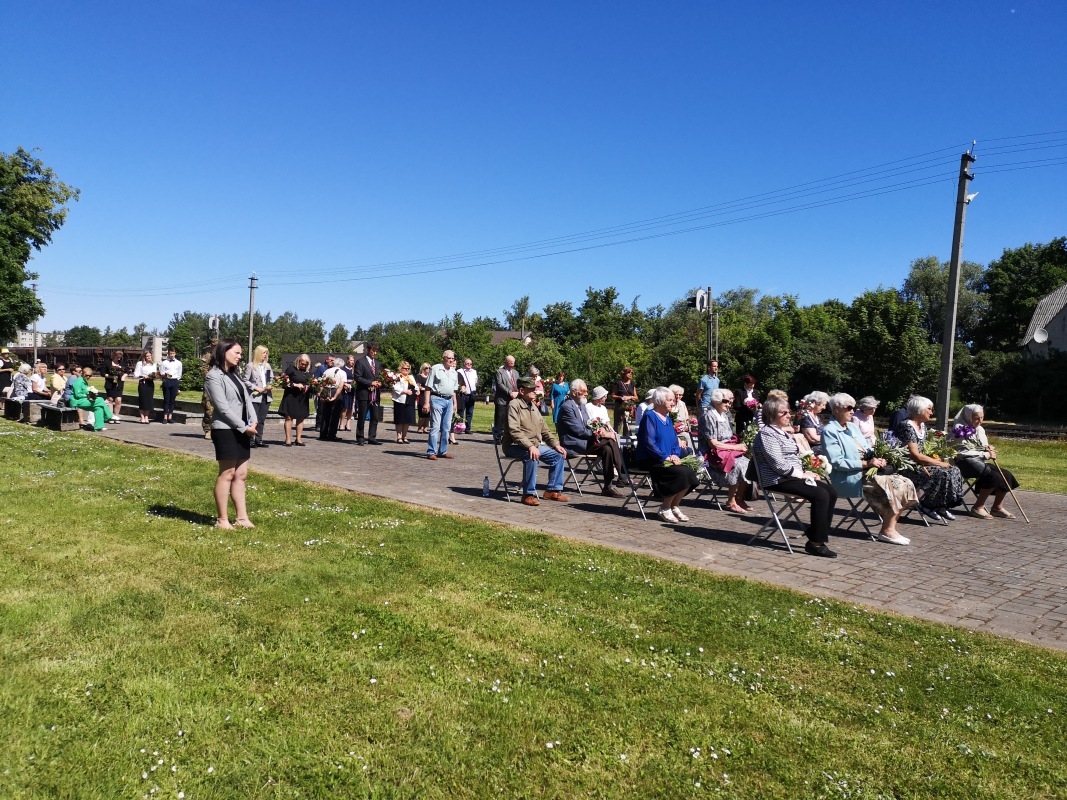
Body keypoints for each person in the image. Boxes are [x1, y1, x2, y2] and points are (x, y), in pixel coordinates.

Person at [822, 393, 916, 545]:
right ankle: (887, 530)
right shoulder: (829, 431)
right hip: (849, 477)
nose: (853, 411)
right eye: (849, 408)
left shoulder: (852, 426)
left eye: (854, 407)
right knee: (895, 486)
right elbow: (836, 462)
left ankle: (889, 527)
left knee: (905, 482)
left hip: (867, 471)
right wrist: (866, 464)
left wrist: (880, 456)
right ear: (837, 409)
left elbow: (867, 449)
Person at [752, 394, 839, 558]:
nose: (788, 415)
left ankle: (815, 534)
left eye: (788, 411)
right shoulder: (767, 434)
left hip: (791, 476)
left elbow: (794, 458)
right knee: (820, 495)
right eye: (783, 413)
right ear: (772, 415)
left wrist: (812, 473)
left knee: (831, 492)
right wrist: (802, 474)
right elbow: (777, 464)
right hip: (776, 479)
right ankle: (816, 543)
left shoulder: (782, 433)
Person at [204, 339, 257, 530]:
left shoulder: (236, 374)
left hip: (243, 428)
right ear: (224, 352)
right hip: (225, 429)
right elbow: (223, 408)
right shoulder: (213, 376)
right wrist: (244, 427)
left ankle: (242, 518)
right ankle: (222, 520)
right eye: (236, 352)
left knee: (241, 474)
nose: (240, 356)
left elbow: (247, 399)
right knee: (227, 473)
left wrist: (253, 419)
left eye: (241, 354)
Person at [894, 395, 966, 522]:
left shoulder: (922, 427)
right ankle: (927, 504)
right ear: (920, 410)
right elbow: (914, 454)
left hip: (920, 463)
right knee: (941, 472)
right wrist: (938, 464)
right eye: (929, 409)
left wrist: (938, 460)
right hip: (908, 466)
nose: (931, 412)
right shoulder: (907, 426)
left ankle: (941, 505)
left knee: (954, 470)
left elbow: (925, 451)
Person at [634, 386, 699, 523]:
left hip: (669, 458)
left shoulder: (668, 419)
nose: (673, 402)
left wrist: (675, 455)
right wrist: (665, 457)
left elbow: (675, 441)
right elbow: (648, 442)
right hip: (652, 459)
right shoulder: (650, 417)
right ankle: (664, 508)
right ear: (659, 401)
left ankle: (675, 505)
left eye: (673, 400)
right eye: (669, 400)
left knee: (691, 472)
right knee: (680, 473)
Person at [502, 376, 569, 506]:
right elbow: (514, 430)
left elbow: (545, 429)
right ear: (522, 391)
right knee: (532, 455)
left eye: (535, 389)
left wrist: (556, 445)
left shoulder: (532, 406)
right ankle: (528, 494)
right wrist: (530, 446)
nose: (535, 392)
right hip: (514, 446)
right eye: (531, 389)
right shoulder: (514, 405)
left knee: (558, 455)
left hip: (534, 445)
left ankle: (552, 490)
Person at [555, 379, 626, 496]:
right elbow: (580, 431)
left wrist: (601, 429)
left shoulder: (581, 405)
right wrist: (601, 434)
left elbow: (590, 424)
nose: (586, 394)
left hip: (587, 441)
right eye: (583, 391)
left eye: (586, 391)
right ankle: (622, 474)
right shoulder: (567, 407)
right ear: (573, 392)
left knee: (607, 449)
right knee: (610, 439)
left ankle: (608, 486)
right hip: (573, 444)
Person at [951, 404, 1020, 519]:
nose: (980, 421)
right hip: (963, 462)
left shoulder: (980, 430)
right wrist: (986, 454)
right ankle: (978, 507)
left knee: (1006, 475)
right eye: (976, 418)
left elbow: (982, 446)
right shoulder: (959, 430)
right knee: (993, 477)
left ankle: (997, 507)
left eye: (982, 417)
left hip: (978, 460)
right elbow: (961, 452)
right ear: (968, 416)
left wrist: (988, 448)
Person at [701, 388, 752, 514]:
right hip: (711, 455)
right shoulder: (709, 416)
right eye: (726, 401)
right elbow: (713, 443)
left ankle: (739, 498)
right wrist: (736, 447)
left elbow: (730, 437)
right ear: (717, 401)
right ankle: (731, 501)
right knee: (738, 465)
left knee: (749, 463)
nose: (729, 404)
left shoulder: (725, 415)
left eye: (730, 401)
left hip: (727, 450)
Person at [424, 350, 459, 460]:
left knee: (447, 427)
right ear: (443, 358)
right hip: (437, 399)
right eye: (449, 358)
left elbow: (454, 390)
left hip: (449, 401)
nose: (451, 360)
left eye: (452, 358)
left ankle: (443, 451)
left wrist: (455, 403)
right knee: (435, 426)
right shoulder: (435, 368)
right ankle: (431, 451)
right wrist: (426, 403)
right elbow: (428, 387)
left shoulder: (454, 372)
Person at [242, 345, 274, 447]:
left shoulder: (267, 366)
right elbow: (245, 380)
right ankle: (250, 439)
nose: (265, 355)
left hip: (266, 396)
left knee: (261, 419)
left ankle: (259, 439)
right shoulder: (250, 366)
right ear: (258, 353)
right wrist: (255, 388)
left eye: (266, 353)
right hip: (254, 397)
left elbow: (271, 379)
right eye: (264, 353)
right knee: (253, 419)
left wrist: (270, 385)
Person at [279, 353, 311, 446]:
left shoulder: (308, 373)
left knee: (301, 418)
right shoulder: (291, 369)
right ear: (298, 362)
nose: (303, 365)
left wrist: (308, 387)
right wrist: (295, 385)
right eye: (302, 363)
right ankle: (288, 439)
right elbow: (284, 382)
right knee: (289, 417)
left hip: (302, 398)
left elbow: (311, 384)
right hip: (291, 396)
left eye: (305, 364)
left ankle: (298, 439)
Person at [354, 343, 382, 445]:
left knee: (375, 416)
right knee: (362, 416)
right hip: (364, 393)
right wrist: (370, 383)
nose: (374, 353)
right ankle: (360, 437)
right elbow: (357, 377)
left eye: (376, 351)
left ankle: (372, 437)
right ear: (367, 350)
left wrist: (380, 382)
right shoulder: (360, 362)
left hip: (375, 394)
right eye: (372, 351)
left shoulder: (378, 363)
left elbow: (379, 376)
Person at [69, 365, 113, 430]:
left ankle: (98, 427)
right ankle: (109, 416)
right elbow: (77, 395)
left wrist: (91, 395)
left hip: (83, 400)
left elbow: (85, 392)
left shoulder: (84, 381)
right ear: (82, 373)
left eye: (90, 375)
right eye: (87, 375)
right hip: (77, 401)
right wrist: (87, 396)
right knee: (100, 399)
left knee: (98, 408)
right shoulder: (79, 381)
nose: (88, 377)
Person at [317, 355, 347, 441]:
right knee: (334, 415)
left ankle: (323, 433)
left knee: (325, 413)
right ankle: (331, 434)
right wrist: (335, 397)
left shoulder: (327, 371)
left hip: (326, 390)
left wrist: (320, 393)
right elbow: (340, 386)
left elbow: (322, 383)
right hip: (335, 391)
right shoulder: (342, 373)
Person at [493, 356, 519, 441]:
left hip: (512, 400)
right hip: (502, 400)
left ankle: (506, 438)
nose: (512, 365)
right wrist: (509, 392)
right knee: (500, 419)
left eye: (513, 363)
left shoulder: (515, 373)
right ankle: (497, 437)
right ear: (506, 362)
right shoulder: (499, 372)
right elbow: (500, 384)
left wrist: (517, 392)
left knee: (510, 419)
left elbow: (517, 384)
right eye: (510, 363)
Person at [391, 360, 418, 443]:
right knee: (400, 419)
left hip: (410, 400)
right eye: (405, 368)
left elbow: (416, 386)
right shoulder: (397, 376)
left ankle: (404, 436)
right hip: (400, 400)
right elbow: (394, 387)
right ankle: (399, 437)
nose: (407, 370)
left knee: (407, 419)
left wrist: (417, 390)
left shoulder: (411, 377)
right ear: (401, 368)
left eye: (408, 368)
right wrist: (405, 391)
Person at [159, 345, 183, 424]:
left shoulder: (179, 363)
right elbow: (161, 372)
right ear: (168, 354)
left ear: (175, 353)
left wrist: (176, 381)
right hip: (167, 381)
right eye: (170, 353)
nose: (171, 355)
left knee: (172, 400)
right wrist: (164, 375)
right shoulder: (164, 363)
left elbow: (179, 374)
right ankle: (165, 417)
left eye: (173, 353)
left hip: (174, 381)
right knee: (166, 399)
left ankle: (170, 417)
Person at [133, 350, 158, 423]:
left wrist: (153, 376)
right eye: (147, 356)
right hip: (142, 382)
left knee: (149, 400)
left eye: (150, 356)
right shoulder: (140, 364)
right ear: (144, 357)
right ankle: (142, 417)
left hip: (150, 383)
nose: (149, 357)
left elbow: (155, 374)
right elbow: (135, 375)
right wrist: (142, 376)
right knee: (142, 400)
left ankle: (147, 417)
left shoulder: (154, 364)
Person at [611, 367, 638, 433]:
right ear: (624, 373)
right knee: (618, 424)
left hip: (630, 407)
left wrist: (630, 397)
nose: (630, 374)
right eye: (629, 372)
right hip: (620, 406)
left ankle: (627, 440)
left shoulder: (632, 384)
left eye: (632, 373)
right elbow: (612, 395)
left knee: (628, 425)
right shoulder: (618, 383)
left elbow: (636, 397)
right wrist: (621, 397)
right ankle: (616, 440)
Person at [102, 351, 126, 423]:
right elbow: (102, 373)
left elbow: (127, 371)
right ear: (114, 356)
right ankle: (110, 417)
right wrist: (111, 376)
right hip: (110, 383)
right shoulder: (107, 362)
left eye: (120, 357)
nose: (118, 358)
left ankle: (116, 416)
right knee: (110, 399)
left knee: (118, 400)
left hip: (119, 383)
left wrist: (124, 376)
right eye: (117, 357)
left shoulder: (122, 362)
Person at [457, 357, 479, 433]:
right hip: (462, 394)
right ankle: (460, 428)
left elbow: (475, 381)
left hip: (471, 394)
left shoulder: (474, 372)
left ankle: (468, 428)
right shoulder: (460, 371)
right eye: (467, 363)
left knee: (470, 412)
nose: (469, 365)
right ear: (464, 364)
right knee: (461, 412)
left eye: (470, 364)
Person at [339, 354, 356, 432]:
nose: (352, 362)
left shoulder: (354, 370)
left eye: (353, 360)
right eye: (351, 360)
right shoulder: (343, 369)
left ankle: (348, 423)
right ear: (347, 360)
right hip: (345, 390)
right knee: (345, 407)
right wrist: (345, 384)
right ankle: (341, 423)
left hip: (352, 390)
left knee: (351, 408)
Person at [415, 362, 432, 434]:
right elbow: (418, 386)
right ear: (423, 369)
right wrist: (425, 389)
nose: (428, 369)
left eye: (429, 368)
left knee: (428, 413)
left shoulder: (430, 377)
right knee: (422, 412)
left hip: (430, 395)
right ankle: (419, 427)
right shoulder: (419, 376)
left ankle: (426, 428)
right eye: (426, 368)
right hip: (422, 396)